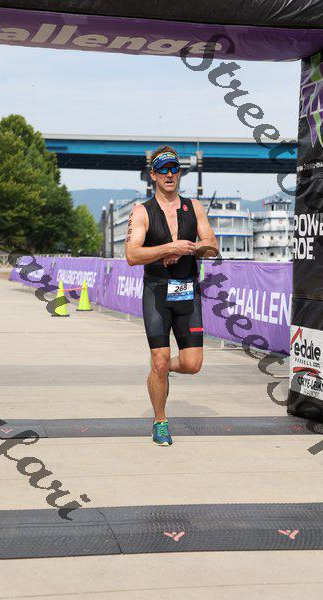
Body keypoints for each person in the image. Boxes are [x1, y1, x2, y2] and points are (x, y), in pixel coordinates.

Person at [125, 146, 218, 446]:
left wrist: (189, 248)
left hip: (188, 291)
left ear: (180, 173)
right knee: (160, 357)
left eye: (174, 169)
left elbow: (212, 246)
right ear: (153, 175)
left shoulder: (195, 207)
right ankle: (160, 421)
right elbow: (131, 254)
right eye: (163, 169)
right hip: (157, 293)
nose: (169, 174)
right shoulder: (142, 211)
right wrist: (168, 248)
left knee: (192, 364)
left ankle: (161, 370)